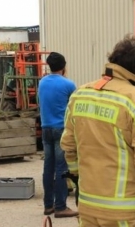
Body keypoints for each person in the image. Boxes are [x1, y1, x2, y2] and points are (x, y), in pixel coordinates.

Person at [60, 35, 135, 227]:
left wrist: (78, 178)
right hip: (128, 212)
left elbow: (69, 147)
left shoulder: (80, 94)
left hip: (88, 205)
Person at [38, 52, 78, 218]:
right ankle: (61, 207)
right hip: (61, 130)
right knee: (62, 169)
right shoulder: (69, 85)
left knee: (48, 167)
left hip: (46, 129)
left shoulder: (42, 82)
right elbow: (75, 107)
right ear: (64, 67)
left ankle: (48, 205)